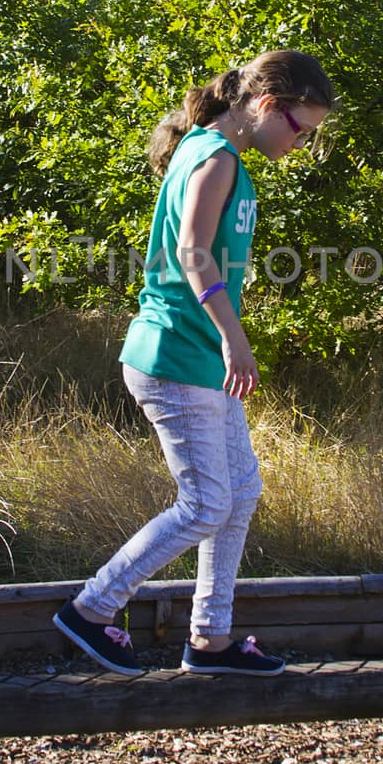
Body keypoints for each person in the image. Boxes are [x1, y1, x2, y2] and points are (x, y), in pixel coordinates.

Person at [53, 50, 335, 677]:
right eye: (300, 129)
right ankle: (92, 609)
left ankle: (211, 639)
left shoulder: (216, 151)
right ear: (266, 105)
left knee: (238, 493)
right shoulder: (214, 156)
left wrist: (226, 345)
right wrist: (236, 340)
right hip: (178, 353)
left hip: (198, 357)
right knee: (207, 502)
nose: (300, 144)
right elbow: (192, 253)